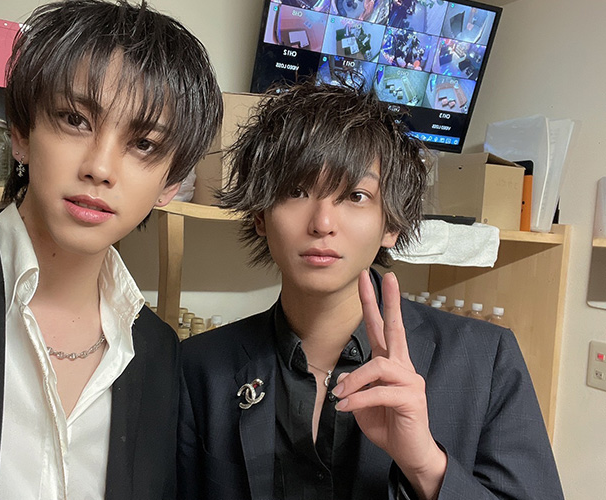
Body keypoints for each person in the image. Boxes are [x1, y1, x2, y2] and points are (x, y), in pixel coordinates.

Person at [177, 82, 563, 499]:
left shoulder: (486, 360)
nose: (323, 223)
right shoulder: (200, 367)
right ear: (260, 215)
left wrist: (426, 464)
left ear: (391, 224)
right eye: (295, 191)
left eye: (355, 196)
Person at [0, 1, 222, 499]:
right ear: (21, 133)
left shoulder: (158, 354)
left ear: (170, 183)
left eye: (143, 144)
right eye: (75, 120)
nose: (100, 167)